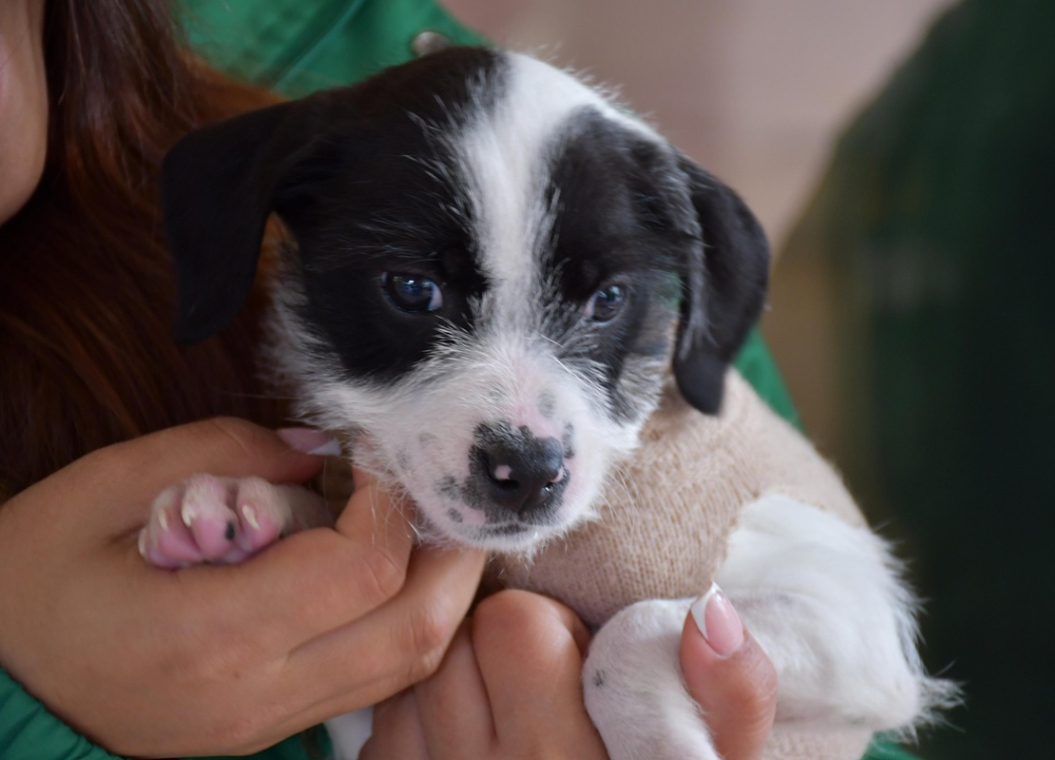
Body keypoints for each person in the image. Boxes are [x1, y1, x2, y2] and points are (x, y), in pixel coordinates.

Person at [0, 1, 780, 758]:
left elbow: (872, 710)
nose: (523, 441)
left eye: (603, 301)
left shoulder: (455, 86)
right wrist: (23, 707)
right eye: (414, 292)